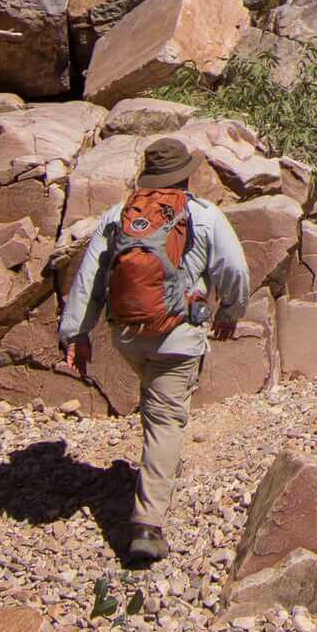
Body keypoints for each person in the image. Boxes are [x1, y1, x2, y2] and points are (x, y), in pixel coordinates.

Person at [58, 136, 252, 567]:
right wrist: (231, 310)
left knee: (156, 402)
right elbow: (235, 269)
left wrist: (77, 333)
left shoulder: (119, 216)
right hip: (178, 338)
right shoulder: (203, 215)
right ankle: (147, 525)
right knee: (166, 421)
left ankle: (156, 468)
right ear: (186, 175)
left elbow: (90, 276)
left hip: (128, 336)